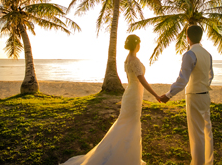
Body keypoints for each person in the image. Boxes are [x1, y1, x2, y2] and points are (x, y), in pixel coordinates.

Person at [61, 34, 160, 165]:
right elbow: (142, 80)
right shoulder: (134, 60)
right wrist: (156, 95)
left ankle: (126, 155)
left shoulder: (128, 59)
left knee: (126, 125)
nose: (140, 46)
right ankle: (128, 159)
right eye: (139, 43)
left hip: (131, 94)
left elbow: (131, 80)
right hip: (133, 97)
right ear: (136, 44)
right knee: (131, 125)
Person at [159, 25, 214, 165]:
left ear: (187, 37)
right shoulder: (208, 54)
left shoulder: (189, 55)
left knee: (197, 134)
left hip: (194, 96)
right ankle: (208, 162)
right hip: (205, 95)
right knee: (207, 131)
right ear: (201, 37)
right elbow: (210, 76)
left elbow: (183, 80)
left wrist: (169, 95)